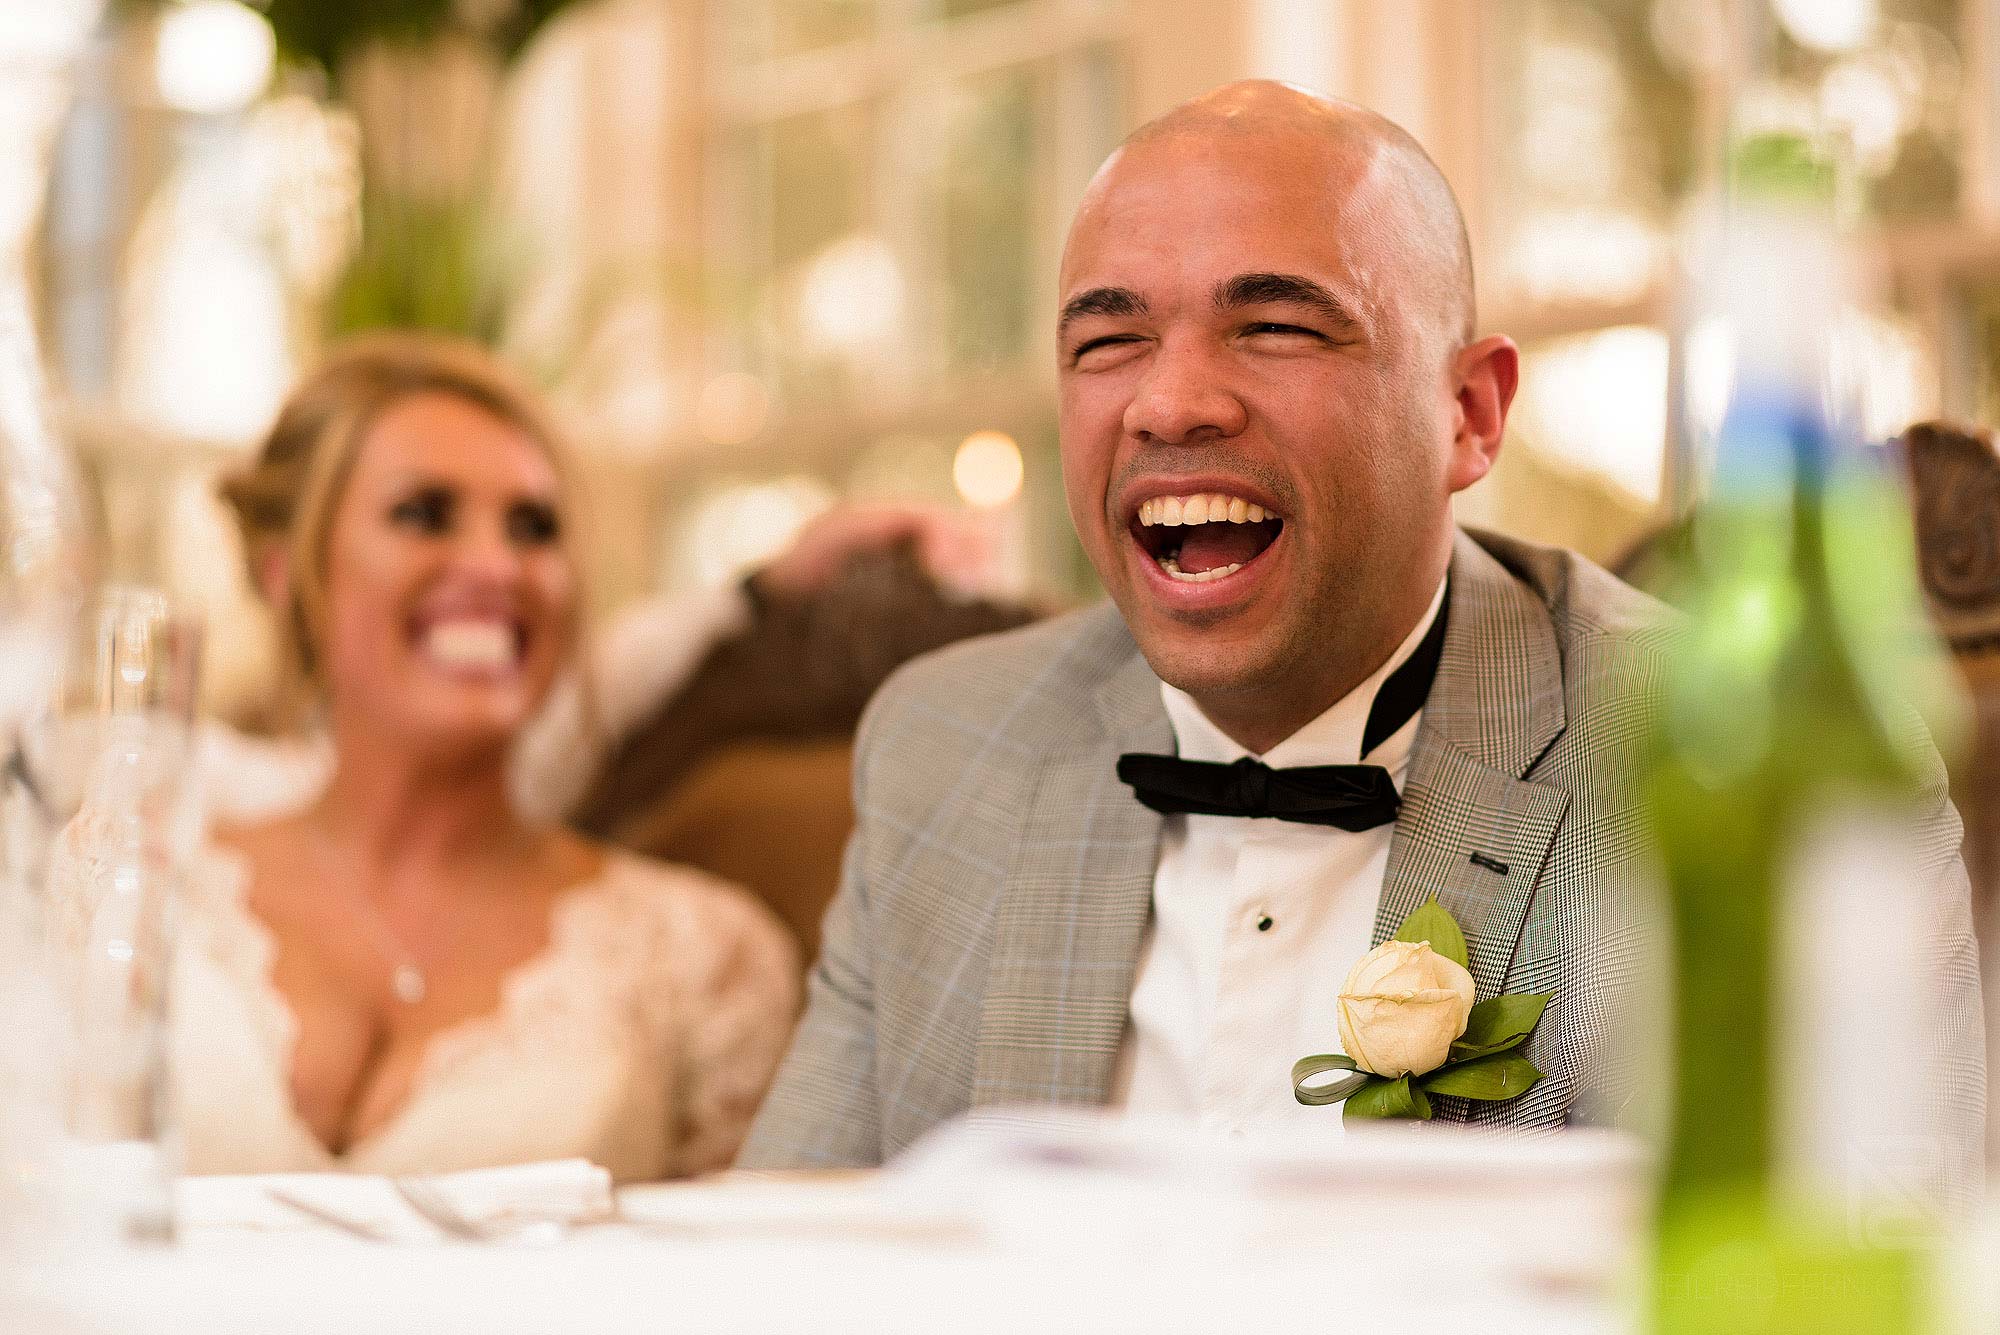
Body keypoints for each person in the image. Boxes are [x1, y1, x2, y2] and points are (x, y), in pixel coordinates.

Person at [738, 82, 1986, 1167]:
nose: (1169, 401)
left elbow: (1845, 1275)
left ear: (1468, 415)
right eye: (1107, 340)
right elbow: (768, 1266)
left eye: (1274, 325)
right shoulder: (943, 747)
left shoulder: (1736, 767)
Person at [174, 332, 800, 1181]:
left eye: (533, 528)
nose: (494, 565)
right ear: (286, 572)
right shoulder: (136, 889)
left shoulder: (705, 958)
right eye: (424, 513)